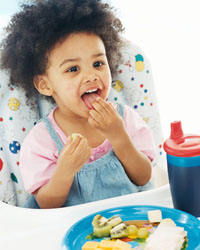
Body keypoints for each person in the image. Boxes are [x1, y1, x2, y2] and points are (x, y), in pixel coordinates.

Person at [0, 0, 156, 209]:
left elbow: (143, 177)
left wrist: (119, 136)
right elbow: (46, 204)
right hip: (69, 230)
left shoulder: (125, 119)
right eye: (73, 69)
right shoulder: (41, 140)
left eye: (98, 64)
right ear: (45, 84)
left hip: (128, 222)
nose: (91, 75)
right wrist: (65, 170)